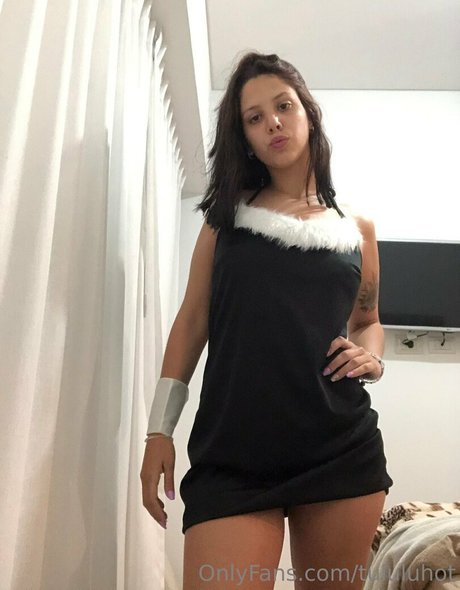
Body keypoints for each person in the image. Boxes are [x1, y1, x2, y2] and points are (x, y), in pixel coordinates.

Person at [140, 51, 393, 590]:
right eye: (254, 117)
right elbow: (192, 321)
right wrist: (158, 431)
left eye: (283, 106)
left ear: (308, 113)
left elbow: (368, 319)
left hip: (339, 450)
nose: (273, 122)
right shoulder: (225, 218)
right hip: (232, 455)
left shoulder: (358, 229)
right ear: (246, 138)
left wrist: (373, 357)